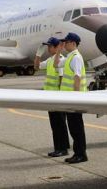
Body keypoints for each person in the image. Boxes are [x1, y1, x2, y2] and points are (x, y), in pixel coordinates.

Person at [54, 32, 88, 164]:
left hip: (74, 100)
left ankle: (81, 154)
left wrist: (75, 98)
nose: (64, 44)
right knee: (73, 128)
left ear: (73, 43)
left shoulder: (76, 57)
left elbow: (77, 78)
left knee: (76, 128)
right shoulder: (69, 57)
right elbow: (56, 64)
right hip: (70, 100)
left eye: (66, 42)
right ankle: (78, 153)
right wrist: (59, 51)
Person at [34, 37, 70, 157]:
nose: (48, 48)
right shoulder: (50, 60)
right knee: (55, 125)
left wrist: (60, 98)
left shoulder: (59, 60)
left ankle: (63, 149)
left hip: (57, 98)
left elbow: (61, 79)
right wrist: (38, 55)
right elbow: (37, 67)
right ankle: (57, 148)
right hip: (50, 98)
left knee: (60, 124)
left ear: (56, 47)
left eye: (50, 46)